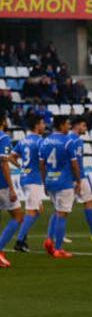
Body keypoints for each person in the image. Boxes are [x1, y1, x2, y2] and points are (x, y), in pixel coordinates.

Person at [39, 115, 79, 258]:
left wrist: (44, 182)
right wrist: (79, 181)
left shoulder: (45, 141)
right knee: (63, 214)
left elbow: (41, 165)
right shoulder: (68, 141)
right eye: (67, 124)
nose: (68, 127)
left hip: (50, 180)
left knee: (57, 211)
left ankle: (49, 240)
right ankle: (58, 248)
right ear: (62, 125)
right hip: (64, 182)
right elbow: (74, 164)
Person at [9, 114, 45, 253]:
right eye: (42, 123)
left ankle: (23, 238)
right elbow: (43, 162)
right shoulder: (41, 141)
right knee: (33, 210)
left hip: (24, 177)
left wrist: (20, 167)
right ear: (36, 125)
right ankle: (20, 241)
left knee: (36, 210)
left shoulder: (24, 140)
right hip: (34, 178)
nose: (44, 126)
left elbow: (11, 157)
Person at [0, 112, 23, 267]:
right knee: (17, 217)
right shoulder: (4, 138)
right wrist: (12, 188)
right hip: (1, 185)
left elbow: (7, 158)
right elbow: (4, 163)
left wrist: (20, 165)